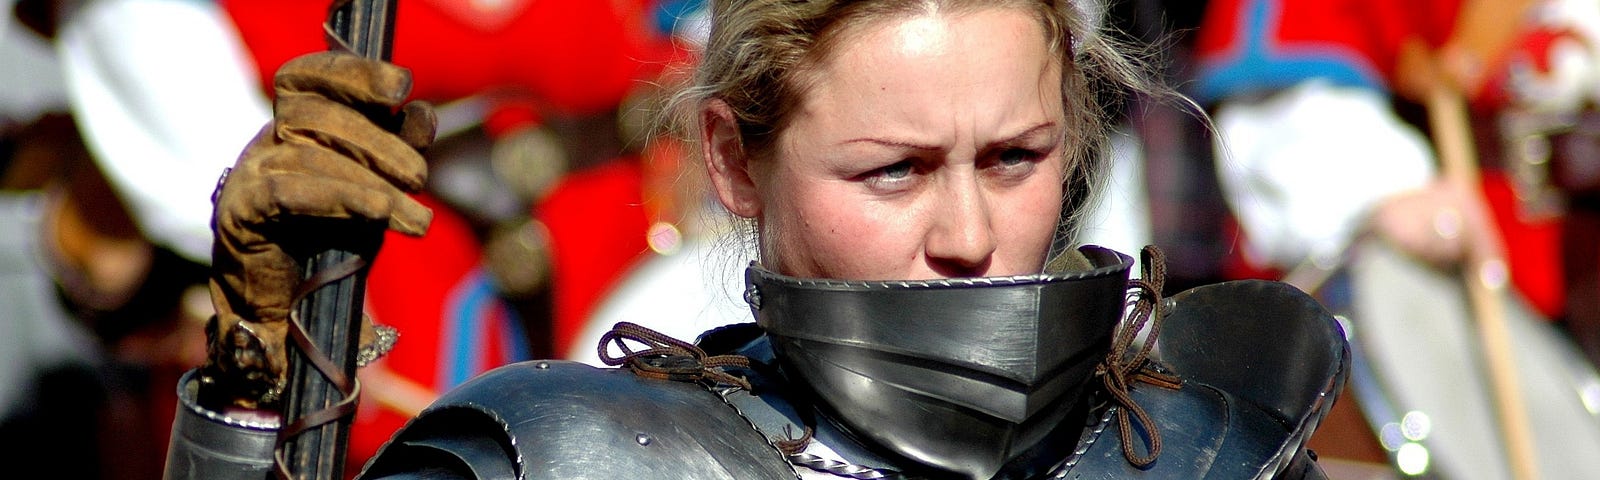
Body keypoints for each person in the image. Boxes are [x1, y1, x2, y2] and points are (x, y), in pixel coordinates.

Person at [165, 1, 1350, 479]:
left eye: (1014, 159)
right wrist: (255, 393)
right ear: (734, 160)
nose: (970, 235)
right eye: (892, 170)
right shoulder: (574, 460)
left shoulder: (1211, 442)